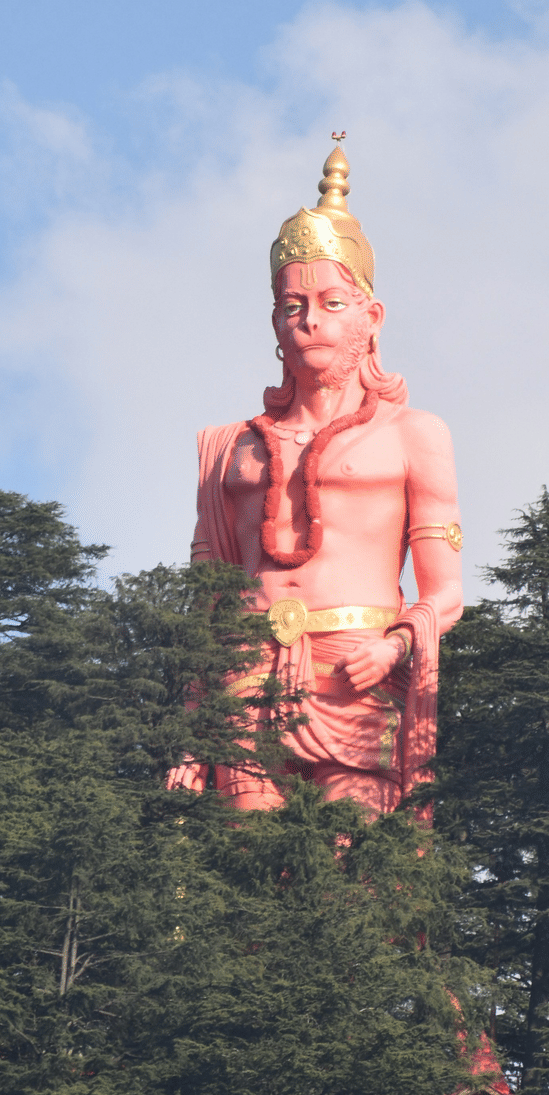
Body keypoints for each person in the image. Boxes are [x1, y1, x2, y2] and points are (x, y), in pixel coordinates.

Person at [168, 144, 463, 819]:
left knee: (350, 876)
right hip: (245, 681)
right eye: (292, 304)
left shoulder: (415, 436)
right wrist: (188, 738)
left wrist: (393, 648)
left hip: (357, 675)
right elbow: (203, 610)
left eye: (332, 301)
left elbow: (445, 596)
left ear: (371, 317)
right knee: (247, 875)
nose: (309, 319)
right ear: (275, 320)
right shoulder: (228, 449)